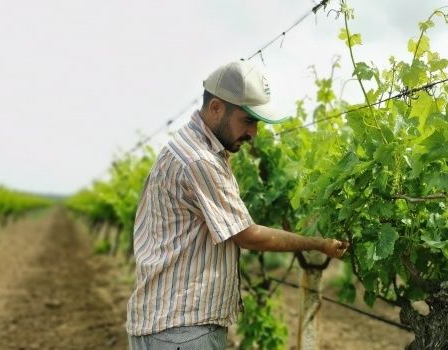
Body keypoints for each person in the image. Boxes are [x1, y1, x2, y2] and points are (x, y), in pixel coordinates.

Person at [126, 61, 349, 350]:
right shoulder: (199, 160)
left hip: (168, 326)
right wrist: (318, 244)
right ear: (216, 108)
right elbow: (248, 235)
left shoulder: (191, 147)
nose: (254, 133)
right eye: (248, 120)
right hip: (182, 330)